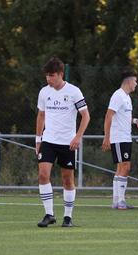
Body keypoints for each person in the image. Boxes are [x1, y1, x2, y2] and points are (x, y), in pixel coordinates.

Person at [36, 57, 90, 228]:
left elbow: (86, 116)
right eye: (47, 76)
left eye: (52, 76)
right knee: (43, 174)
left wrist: (78, 137)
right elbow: (41, 115)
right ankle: (49, 214)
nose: (48, 79)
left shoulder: (74, 91)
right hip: (49, 140)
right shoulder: (44, 92)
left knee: (67, 180)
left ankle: (68, 217)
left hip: (67, 143)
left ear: (60, 74)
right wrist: (38, 139)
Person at [102, 69, 138, 210]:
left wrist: (134, 120)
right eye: (135, 81)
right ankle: (120, 201)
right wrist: (107, 137)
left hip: (125, 137)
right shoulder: (118, 95)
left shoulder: (127, 97)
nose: (136, 84)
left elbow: (123, 116)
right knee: (125, 166)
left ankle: (116, 201)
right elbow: (109, 116)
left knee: (121, 167)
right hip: (119, 137)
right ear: (129, 81)